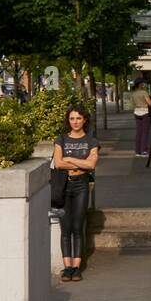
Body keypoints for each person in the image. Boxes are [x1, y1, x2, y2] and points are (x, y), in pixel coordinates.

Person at [52, 106, 101, 283]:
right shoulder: (61, 140)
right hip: (64, 186)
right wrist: (81, 162)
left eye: (79, 118)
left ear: (84, 120)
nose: (75, 122)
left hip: (81, 186)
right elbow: (58, 163)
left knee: (78, 227)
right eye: (72, 118)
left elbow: (91, 165)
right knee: (65, 228)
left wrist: (70, 159)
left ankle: (77, 268)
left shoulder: (92, 141)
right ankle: (68, 268)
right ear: (68, 121)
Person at [131, 77, 151, 156]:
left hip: (136, 112)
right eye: (142, 83)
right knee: (144, 132)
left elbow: (132, 104)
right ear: (140, 84)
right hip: (144, 112)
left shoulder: (134, 93)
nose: (143, 84)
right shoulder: (144, 92)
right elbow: (150, 103)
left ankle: (137, 151)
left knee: (138, 132)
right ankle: (143, 151)